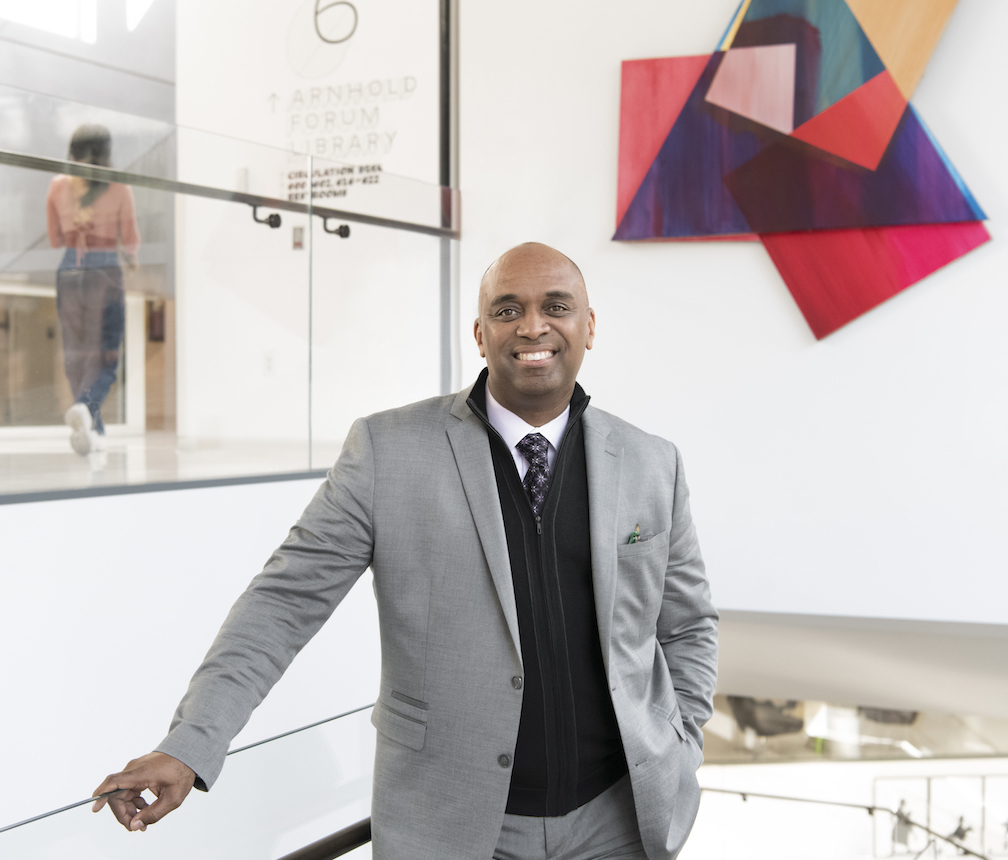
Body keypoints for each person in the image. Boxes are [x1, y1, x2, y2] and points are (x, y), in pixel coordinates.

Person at [93, 242, 718, 860]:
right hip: (450, 827)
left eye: (556, 307)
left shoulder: (652, 462)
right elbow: (281, 605)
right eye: (507, 310)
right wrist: (191, 743)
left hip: (618, 824)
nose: (533, 326)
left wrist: (680, 739)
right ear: (480, 335)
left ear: (588, 327)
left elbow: (687, 625)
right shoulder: (386, 450)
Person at [46, 123, 140, 455]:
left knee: (76, 354)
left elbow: (55, 239)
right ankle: (86, 410)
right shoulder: (119, 186)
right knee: (106, 354)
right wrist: (132, 261)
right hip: (105, 269)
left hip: (69, 269)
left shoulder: (57, 185)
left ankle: (93, 430)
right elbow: (130, 241)